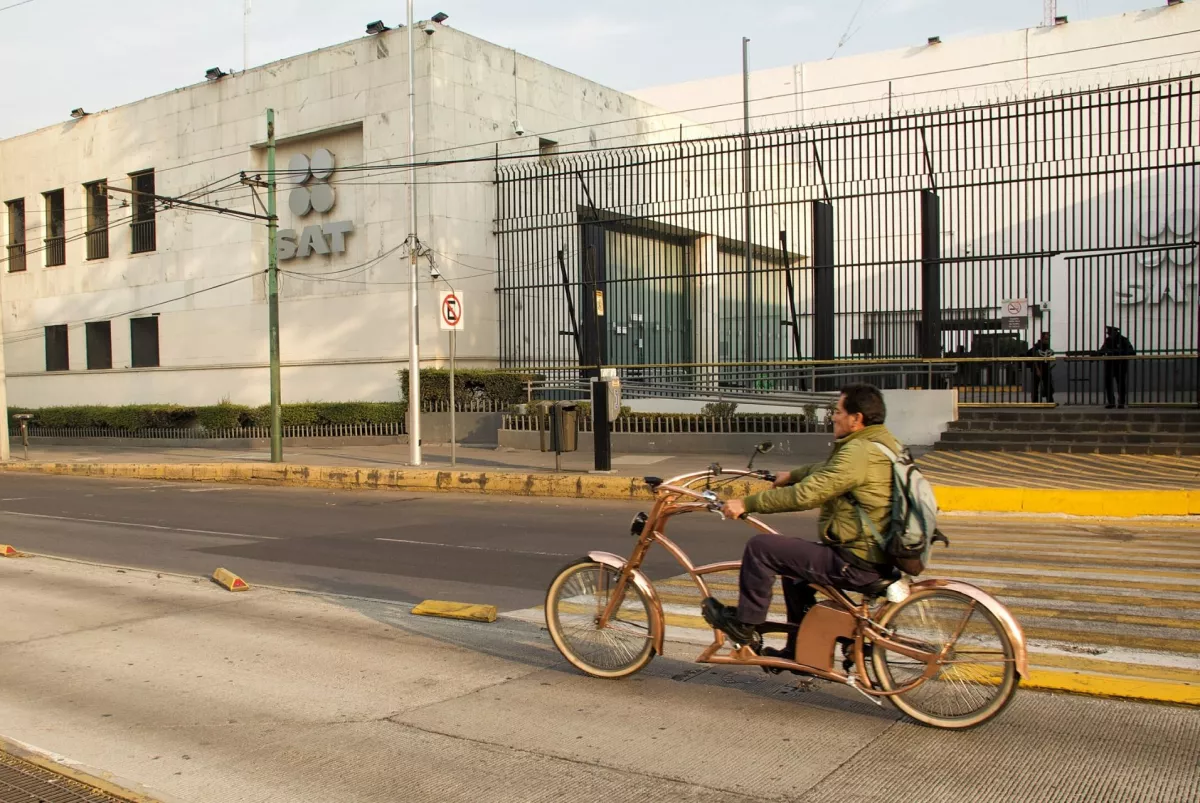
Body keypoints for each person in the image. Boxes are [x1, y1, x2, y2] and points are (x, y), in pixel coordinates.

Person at [704, 383, 900, 661]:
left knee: (762, 548)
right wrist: (794, 474)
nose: (833, 416)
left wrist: (746, 504)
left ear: (857, 419)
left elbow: (808, 494)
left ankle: (744, 625)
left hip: (857, 559)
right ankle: (799, 654)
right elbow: (830, 471)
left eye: (839, 411)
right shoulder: (879, 443)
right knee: (795, 577)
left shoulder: (859, 452)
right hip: (875, 553)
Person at [1099, 326, 1135, 409]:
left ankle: (1121, 402)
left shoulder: (1123, 340)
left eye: (1110, 333)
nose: (1109, 335)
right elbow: (1102, 350)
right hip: (1109, 365)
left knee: (1121, 384)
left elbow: (1132, 351)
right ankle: (1111, 402)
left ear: (1115, 333)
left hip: (1120, 365)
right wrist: (1095, 355)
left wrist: (1118, 352)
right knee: (1108, 384)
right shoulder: (1108, 341)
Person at [1027, 332, 1055, 404]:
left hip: (1046, 369)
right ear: (1042, 338)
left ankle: (1050, 401)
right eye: (1046, 339)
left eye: (1048, 339)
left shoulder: (1046, 346)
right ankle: (1035, 402)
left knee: (1048, 385)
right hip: (1037, 369)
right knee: (1035, 386)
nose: (1047, 340)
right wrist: (1037, 370)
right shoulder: (1037, 347)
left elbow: (1049, 354)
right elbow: (1034, 359)